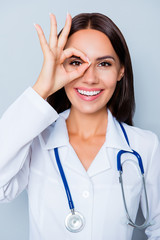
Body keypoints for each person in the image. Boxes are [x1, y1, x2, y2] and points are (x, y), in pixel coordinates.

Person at [0, 12, 160, 240]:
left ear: (121, 71)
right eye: (76, 63)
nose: (90, 78)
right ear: (59, 67)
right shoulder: (34, 140)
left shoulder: (145, 146)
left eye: (104, 64)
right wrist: (42, 87)